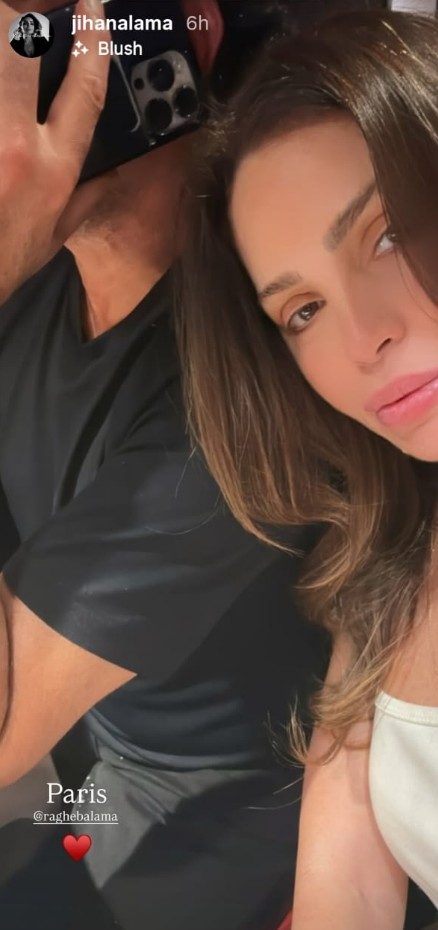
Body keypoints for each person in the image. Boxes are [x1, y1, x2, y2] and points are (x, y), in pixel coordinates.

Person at [177, 9, 438, 930]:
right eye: (301, 311)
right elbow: (340, 898)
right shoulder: (390, 568)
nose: (362, 339)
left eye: (388, 235)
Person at [0, 1, 348, 929]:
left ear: (185, 30)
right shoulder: (40, 284)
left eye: (28, 35)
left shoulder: (244, 384)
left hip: (221, 808)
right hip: (91, 754)